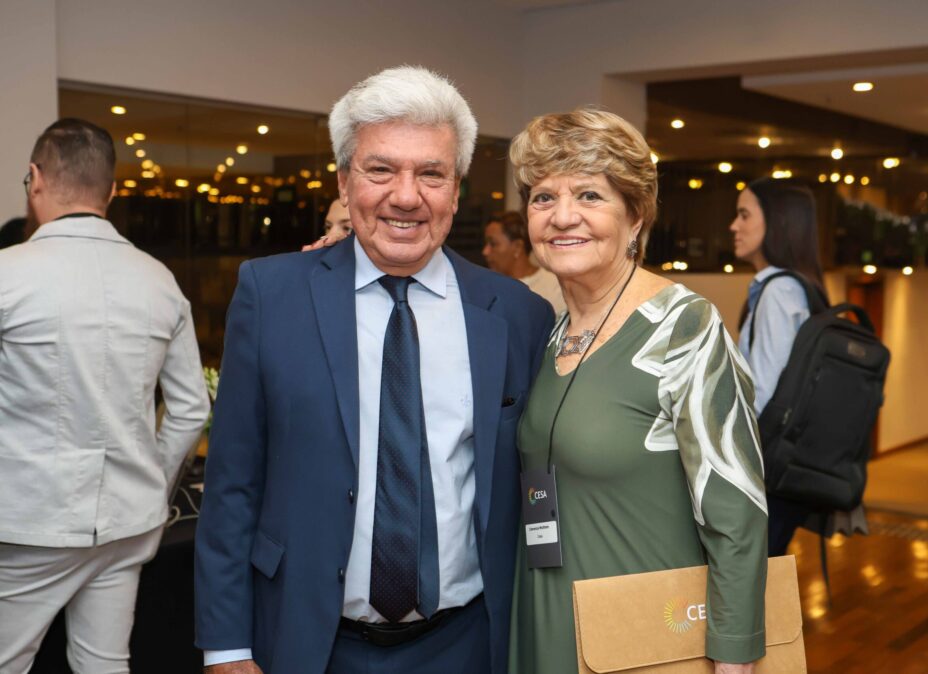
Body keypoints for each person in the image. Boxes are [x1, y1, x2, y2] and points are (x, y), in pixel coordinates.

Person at [194, 66, 554, 674]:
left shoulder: (517, 314)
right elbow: (233, 483)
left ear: (456, 190)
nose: (406, 197)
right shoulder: (271, 295)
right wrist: (227, 648)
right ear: (344, 181)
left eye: (431, 174)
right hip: (309, 642)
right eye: (380, 170)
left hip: (468, 644)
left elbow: (536, 484)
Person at [508, 108, 767, 674]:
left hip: (646, 633)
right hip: (546, 613)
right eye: (543, 197)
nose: (562, 216)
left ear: (636, 217)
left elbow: (736, 511)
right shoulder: (551, 332)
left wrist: (734, 652)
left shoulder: (685, 328)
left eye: (590, 195)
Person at [0, 118, 210, 672]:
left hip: (28, 521)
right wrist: (152, 480)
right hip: (129, 520)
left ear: (35, 178)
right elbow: (191, 409)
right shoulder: (159, 279)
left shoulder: (6, 274)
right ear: (111, 191)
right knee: (104, 664)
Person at [731, 177, 863, 557]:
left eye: (744, 215)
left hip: (766, 474)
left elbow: (763, 396)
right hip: (788, 471)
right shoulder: (803, 286)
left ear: (778, 221)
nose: (733, 226)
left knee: (750, 582)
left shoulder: (778, 292)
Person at [482, 210, 565, 315]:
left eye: (493, 244)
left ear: (517, 247)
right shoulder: (487, 287)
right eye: (486, 244)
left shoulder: (555, 288)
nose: (485, 251)